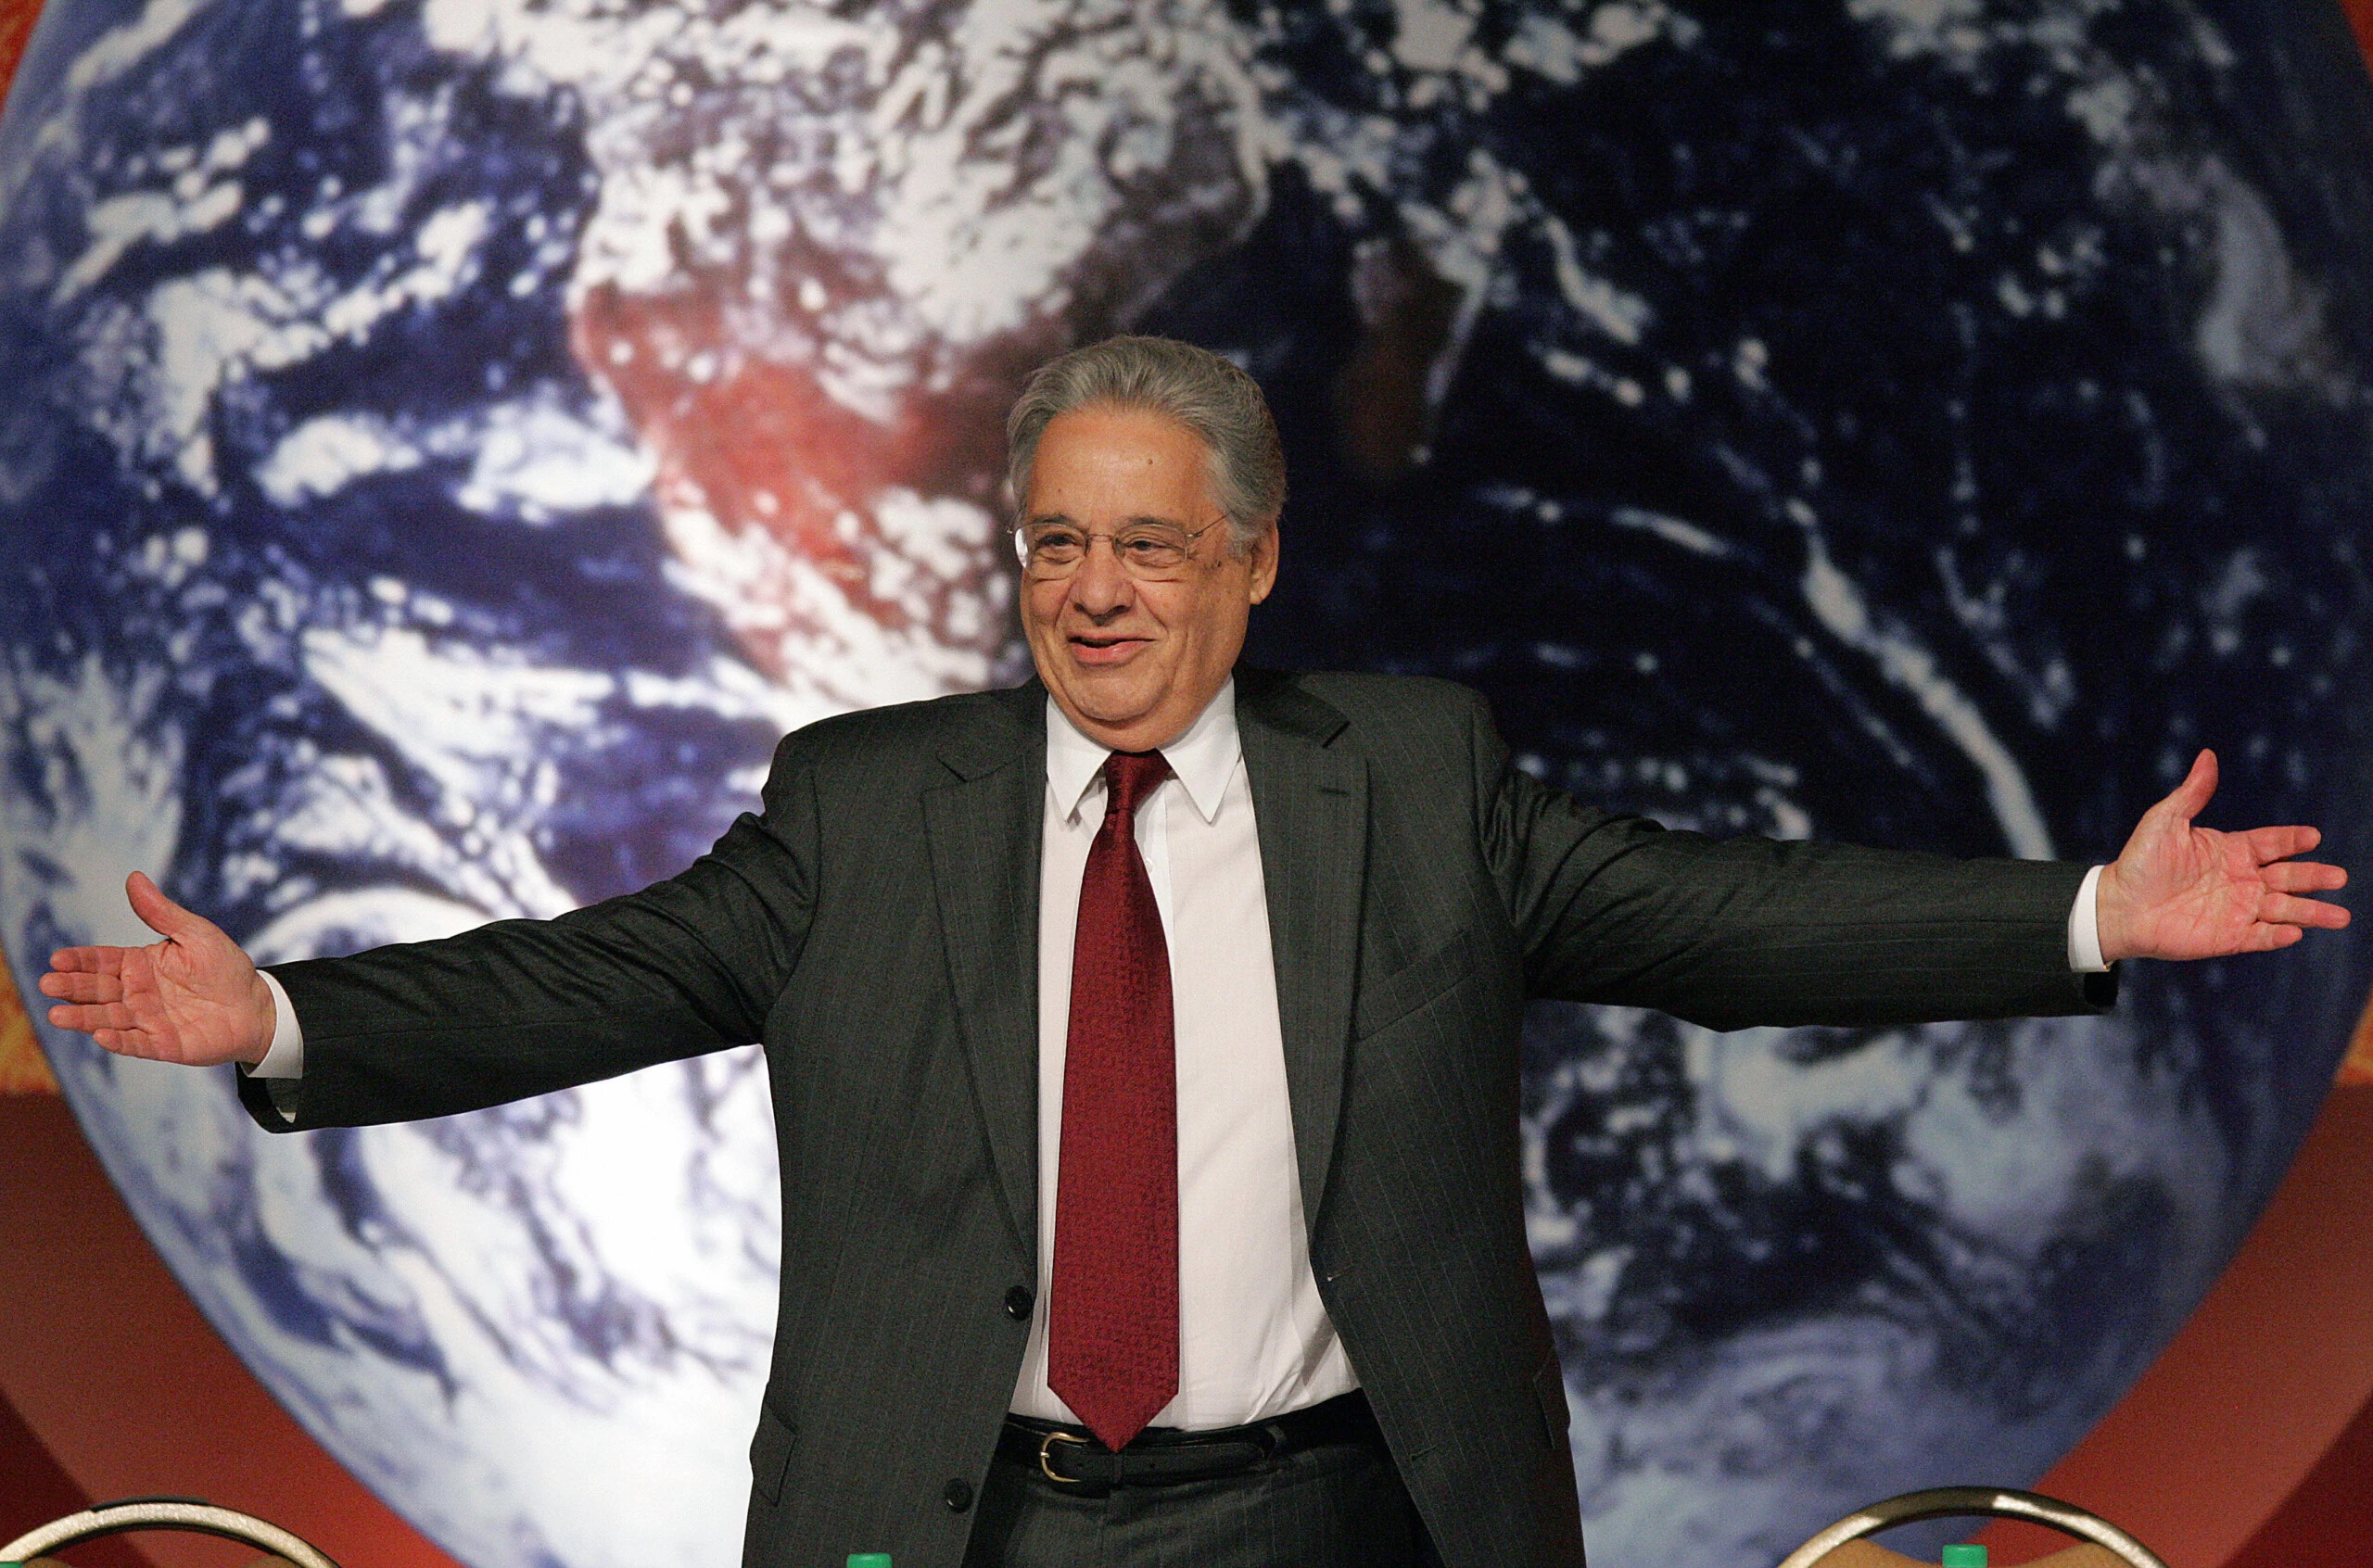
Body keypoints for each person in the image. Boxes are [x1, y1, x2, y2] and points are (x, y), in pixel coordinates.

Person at [40, 336, 2350, 1568]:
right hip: (965, 1529)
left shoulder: (1414, 786)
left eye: (1150, 545)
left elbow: (1723, 916)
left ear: (1251, 570)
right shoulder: (868, 805)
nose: (1095, 592)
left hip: (1336, 1517)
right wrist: (283, 1015)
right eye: (1055, 544)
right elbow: (594, 977)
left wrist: (2079, 910)